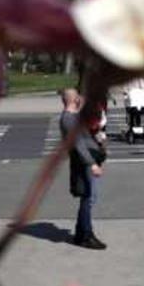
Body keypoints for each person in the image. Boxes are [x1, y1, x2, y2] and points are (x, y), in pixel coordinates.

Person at [60, 89, 105, 250]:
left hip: (87, 160)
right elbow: (78, 144)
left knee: (90, 197)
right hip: (83, 163)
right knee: (88, 197)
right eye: (78, 97)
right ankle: (86, 235)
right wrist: (91, 163)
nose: (80, 98)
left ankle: (81, 233)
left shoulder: (74, 117)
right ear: (73, 99)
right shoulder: (67, 119)